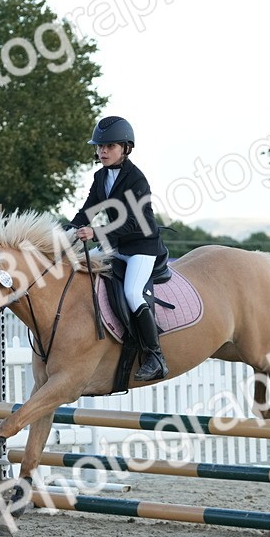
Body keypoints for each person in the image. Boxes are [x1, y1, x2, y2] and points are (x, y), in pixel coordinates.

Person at [69, 115, 169, 381]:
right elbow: (87, 211)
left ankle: (155, 355)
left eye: (110, 146)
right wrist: (65, 235)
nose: (103, 151)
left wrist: (96, 232)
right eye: (100, 146)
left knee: (133, 292)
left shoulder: (137, 179)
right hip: (116, 246)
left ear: (126, 148)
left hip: (142, 247)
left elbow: (133, 222)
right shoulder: (101, 176)